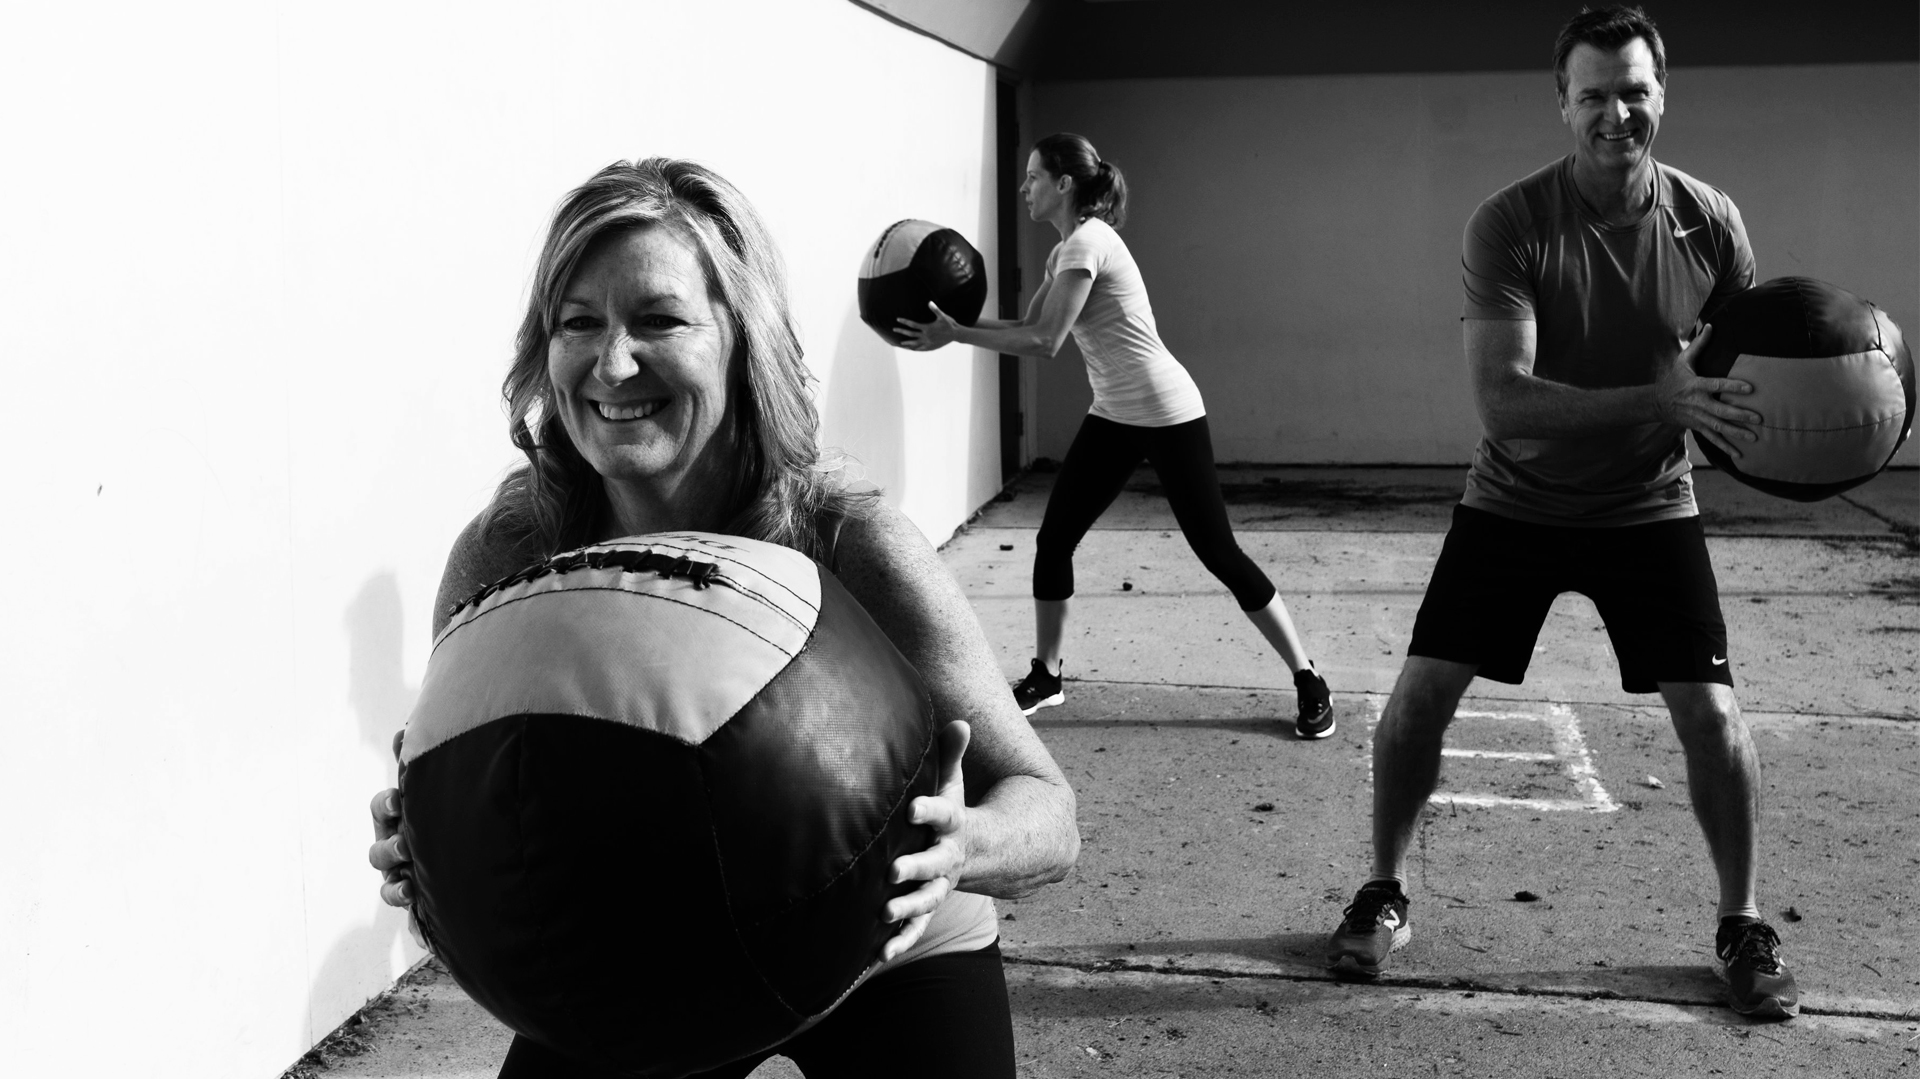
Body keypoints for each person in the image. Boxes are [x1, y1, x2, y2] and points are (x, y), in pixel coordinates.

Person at [367, 157, 1082, 1077]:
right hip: (647, 949)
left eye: (659, 320)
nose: (612, 363)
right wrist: (427, 839)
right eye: (577, 322)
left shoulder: (850, 541)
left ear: (741, 337)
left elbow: (1049, 810)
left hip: (886, 950)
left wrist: (960, 845)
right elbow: (468, 768)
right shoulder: (511, 554)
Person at [1324, 6, 1798, 1019]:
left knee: (1713, 715)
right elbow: (1505, 398)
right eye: (1594, 95)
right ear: (1563, 104)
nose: (1616, 113)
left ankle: (1742, 919)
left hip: (1650, 504)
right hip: (1518, 499)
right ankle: (1384, 886)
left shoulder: (1710, 220)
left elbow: (1737, 372)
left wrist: (1794, 427)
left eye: (1634, 90)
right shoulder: (1511, 222)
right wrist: (1663, 401)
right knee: (1420, 697)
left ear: (1661, 94)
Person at [897, 132, 1336, 740]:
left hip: (1167, 410)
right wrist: (956, 325)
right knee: (1054, 540)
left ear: (1064, 184)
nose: (1025, 188)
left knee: (1219, 552)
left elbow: (1044, 344)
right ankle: (1047, 675)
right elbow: (1029, 325)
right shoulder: (1065, 252)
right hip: (1115, 413)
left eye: (1033, 177)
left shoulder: (1088, 243)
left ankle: (1309, 676)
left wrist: (957, 336)